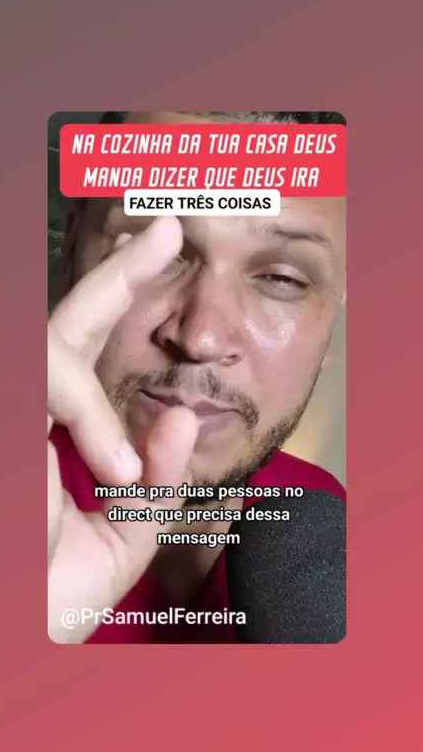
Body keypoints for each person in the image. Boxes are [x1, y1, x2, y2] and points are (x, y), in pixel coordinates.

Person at [48, 111, 346, 643]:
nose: (200, 337)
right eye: (147, 249)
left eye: (281, 278)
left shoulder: (322, 523)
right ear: (73, 248)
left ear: (334, 319)